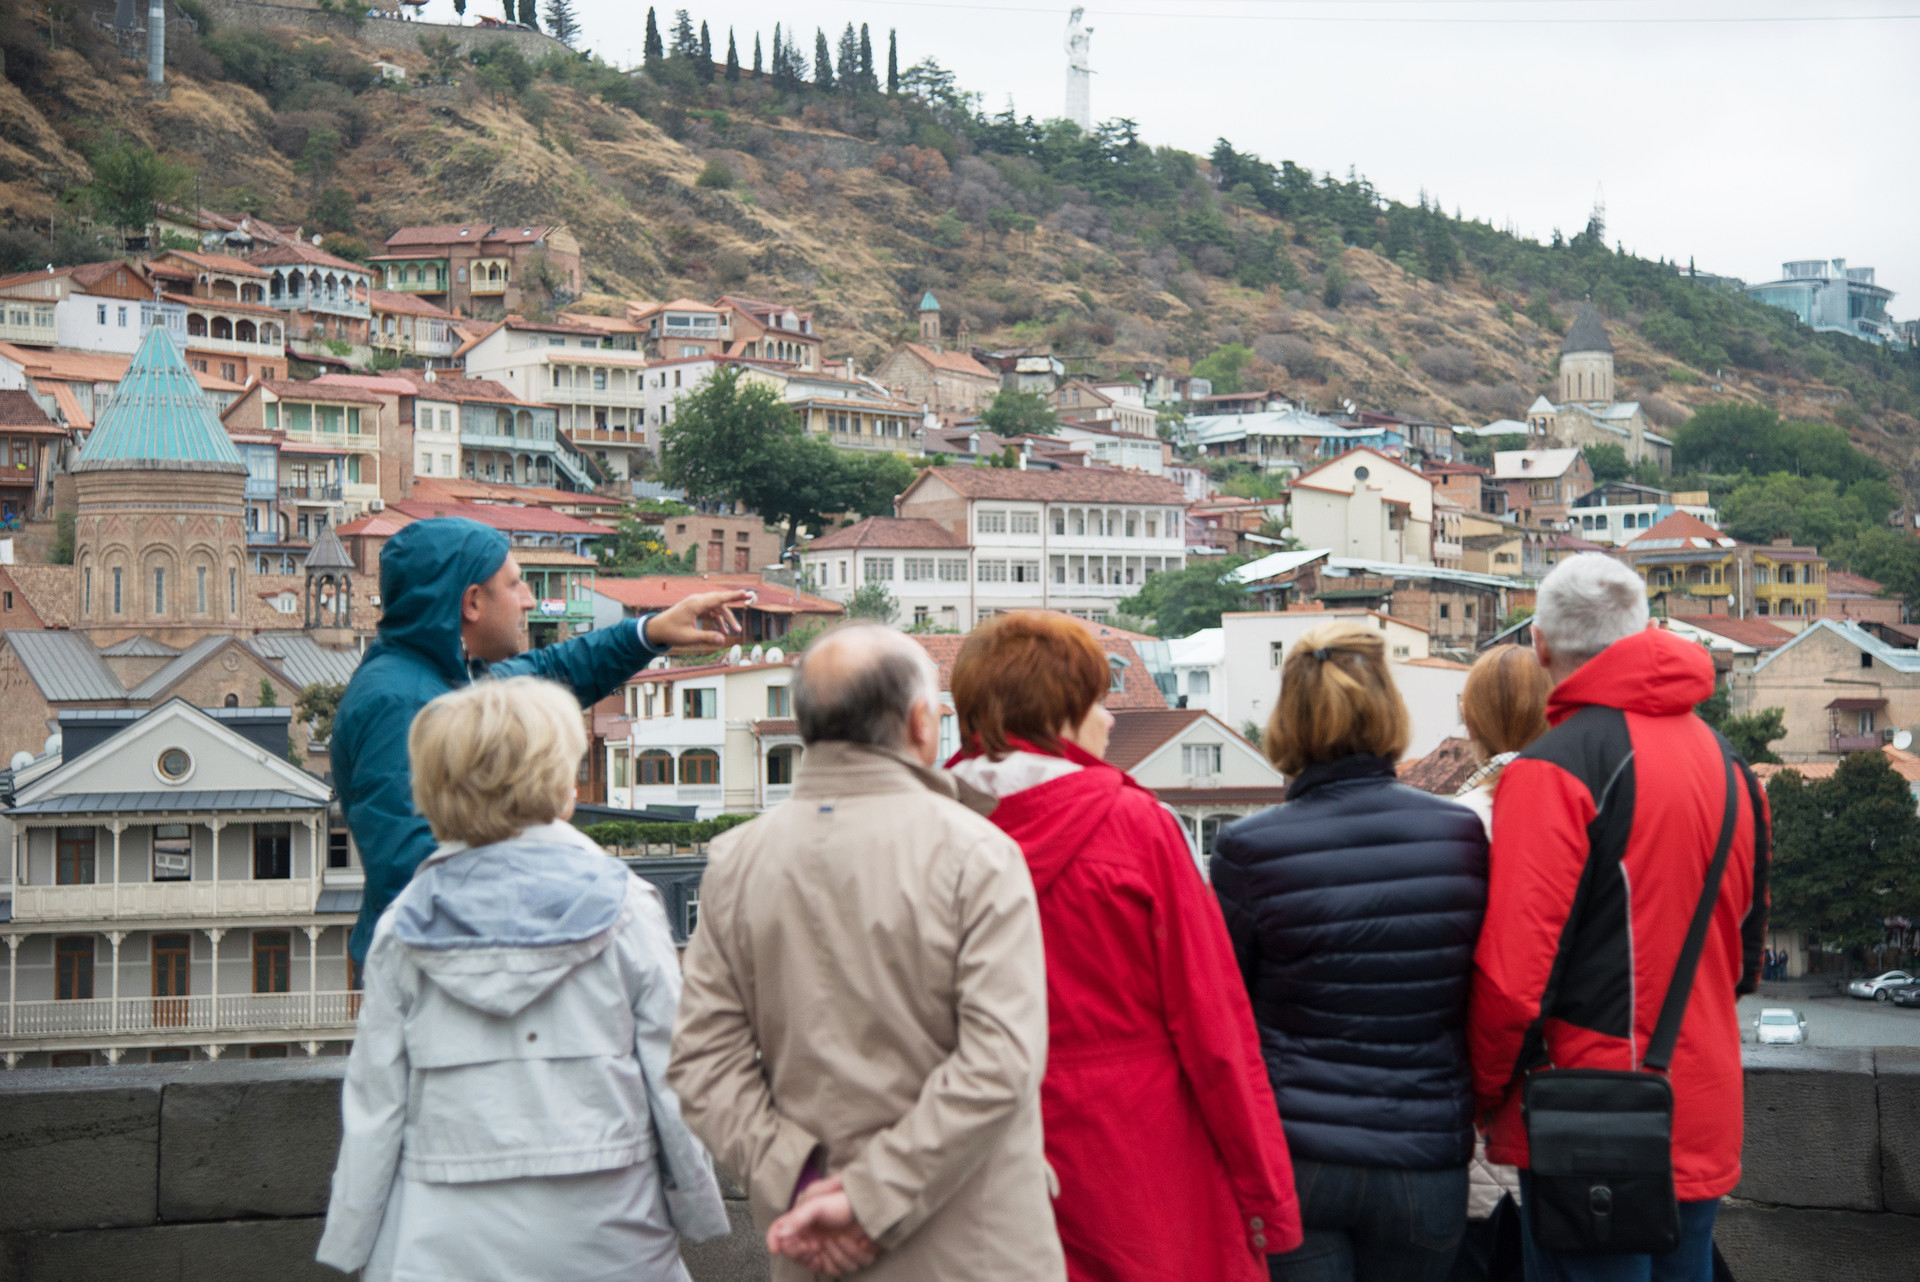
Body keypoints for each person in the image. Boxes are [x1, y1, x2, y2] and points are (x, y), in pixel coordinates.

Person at [667, 624, 1064, 1282]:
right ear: (920, 723)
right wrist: (868, 1197)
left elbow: (704, 1064)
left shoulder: (737, 860)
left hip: (811, 1242)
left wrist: (803, 1182)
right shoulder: (977, 853)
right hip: (974, 1238)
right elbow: (1003, 1059)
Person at [316, 677, 729, 1281]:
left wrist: (352, 1239)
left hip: (443, 1239)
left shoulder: (404, 925)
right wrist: (696, 1205)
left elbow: (376, 1105)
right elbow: (673, 1078)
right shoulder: (627, 907)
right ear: (560, 783)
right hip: (611, 1228)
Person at [946, 612, 1302, 1281]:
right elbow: (1215, 1026)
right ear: (1061, 714)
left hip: (964, 1153)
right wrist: (1267, 1200)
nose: (1108, 722)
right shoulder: (1134, 825)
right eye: (1096, 703)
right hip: (1131, 1147)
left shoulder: (921, 823)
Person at [1468, 555, 1769, 1282]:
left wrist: (1480, 1096)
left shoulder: (1553, 771)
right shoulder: (1733, 769)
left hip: (1589, 1118)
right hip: (1699, 1098)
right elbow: (1746, 958)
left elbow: (1513, 982)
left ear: (1540, 645)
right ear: (1646, 631)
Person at [333, 516, 746, 964]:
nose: (529, 600)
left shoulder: (441, 680)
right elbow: (416, 870)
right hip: (451, 980)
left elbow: (551, 670)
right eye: (515, 585)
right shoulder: (400, 706)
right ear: (472, 602)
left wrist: (649, 632)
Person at [1213, 621, 1489, 1282]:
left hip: (1297, 1152)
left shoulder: (1248, 849)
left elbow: (1227, 1013)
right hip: (1425, 1152)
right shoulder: (1458, 835)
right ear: (1388, 710)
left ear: (1289, 720)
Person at [1448, 645, 1552, 1282]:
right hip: (1567, 1096)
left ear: (1473, 724)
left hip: (1478, 1098)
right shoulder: (1585, 811)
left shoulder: (1458, 824)